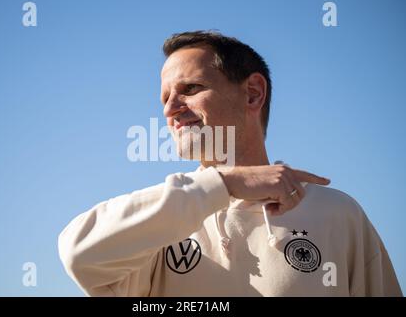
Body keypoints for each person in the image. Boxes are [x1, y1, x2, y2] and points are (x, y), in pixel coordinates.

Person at [58, 31, 402, 296]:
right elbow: (78, 253)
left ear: (253, 92)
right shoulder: (158, 224)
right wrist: (225, 184)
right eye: (165, 98)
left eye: (190, 88)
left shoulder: (338, 214)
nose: (169, 108)